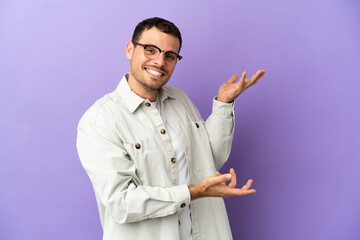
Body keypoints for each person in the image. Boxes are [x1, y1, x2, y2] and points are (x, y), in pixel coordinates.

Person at [76, 17, 266, 240]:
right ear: (130, 49)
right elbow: (121, 203)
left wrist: (223, 104)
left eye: (170, 56)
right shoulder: (100, 120)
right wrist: (195, 192)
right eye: (150, 50)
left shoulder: (180, 99)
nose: (159, 62)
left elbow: (208, 160)